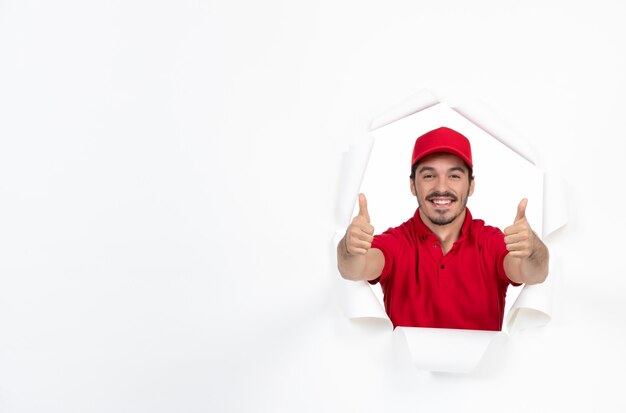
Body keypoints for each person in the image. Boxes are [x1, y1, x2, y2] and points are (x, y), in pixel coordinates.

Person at [337, 126, 549, 331]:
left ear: (471, 185)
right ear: (412, 185)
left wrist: (532, 249)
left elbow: (533, 274)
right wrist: (349, 247)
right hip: (402, 368)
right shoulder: (397, 242)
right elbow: (354, 268)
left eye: (454, 176)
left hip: (484, 368)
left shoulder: (490, 242)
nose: (441, 188)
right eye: (429, 176)